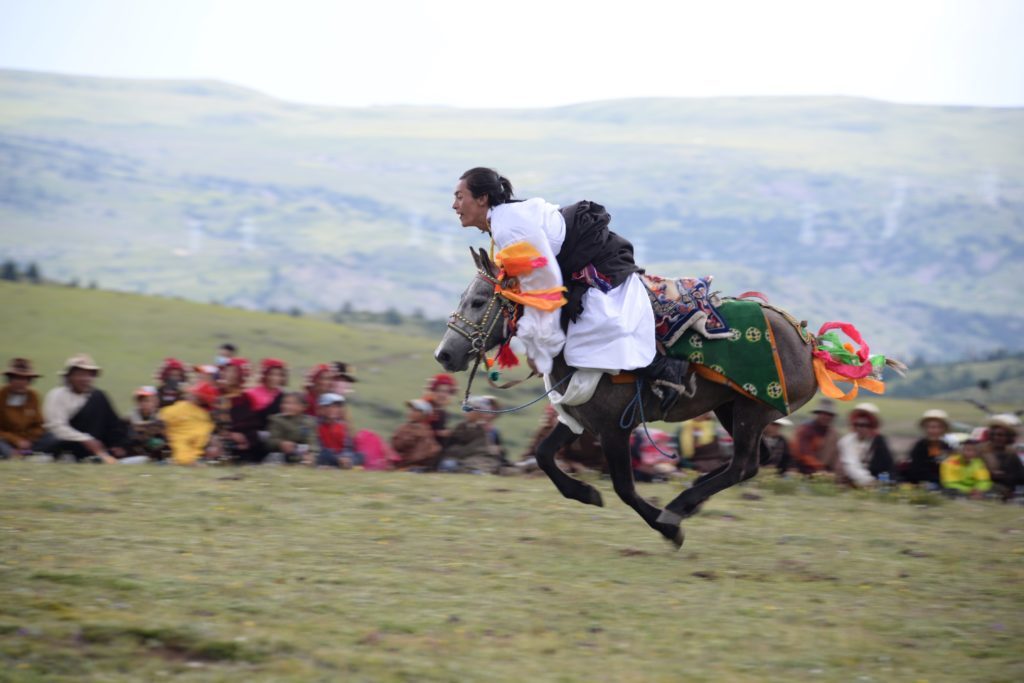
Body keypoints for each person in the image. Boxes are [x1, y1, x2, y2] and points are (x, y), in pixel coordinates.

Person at [451, 167, 687, 410]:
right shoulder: (501, 223)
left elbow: (545, 285)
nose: (454, 205)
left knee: (597, 321)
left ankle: (663, 369)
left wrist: (539, 348)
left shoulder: (507, 228)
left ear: (482, 199)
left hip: (593, 255)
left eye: (459, 197)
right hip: (571, 258)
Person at [43, 354, 127, 463]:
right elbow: (56, 427)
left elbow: (113, 423)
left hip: (95, 447)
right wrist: (85, 439)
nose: (85, 379)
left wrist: (117, 444)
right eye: (80, 375)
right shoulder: (57, 395)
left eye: (89, 375)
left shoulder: (98, 396)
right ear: (69, 377)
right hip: (67, 442)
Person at [0, 358, 57, 458]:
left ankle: (23, 453)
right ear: (10, 379)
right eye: (17, 378)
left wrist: (29, 440)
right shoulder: (2, 395)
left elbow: (39, 425)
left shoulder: (33, 396)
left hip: (28, 441)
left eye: (25, 379)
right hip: (7, 440)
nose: (21, 382)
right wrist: (16, 440)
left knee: (52, 438)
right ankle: (17, 454)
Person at [440, 396, 505, 474]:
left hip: (477, 459)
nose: (466, 412)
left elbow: (483, 448)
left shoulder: (486, 430)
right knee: (448, 464)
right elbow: (453, 442)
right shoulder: (461, 426)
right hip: (458, 457)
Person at [835, 402, 894, 487]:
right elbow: (851, 465)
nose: (860, 428)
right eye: (857, 424)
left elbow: (886, 467)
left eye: (864, 425)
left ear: (871, 426)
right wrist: (869, 482)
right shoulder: (846, 442)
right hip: (851, 483)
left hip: (875, 484)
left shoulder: (879, 442)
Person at [159, 382, 218, 465]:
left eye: (193, 394)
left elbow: (162, 416)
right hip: (179, 445)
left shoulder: (188, 409)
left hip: (179, 446)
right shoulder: (203, 416)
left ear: (199, 399)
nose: (189, 395)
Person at [980, 414, 1024, 500]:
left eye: (1001, 435)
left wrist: (1004, 477)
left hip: (1009, 493)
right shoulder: (981, 451)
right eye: (993, 435)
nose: (996, 438)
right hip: (986, 491)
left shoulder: (1012, 455)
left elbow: (1020, 477)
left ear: (1008, 437)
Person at [267, 392, 319, 464]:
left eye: (292, 404)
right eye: (284, 403)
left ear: (303, 407)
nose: (286, 406)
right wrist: (281, 443)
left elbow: (312, 442)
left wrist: (311, 454)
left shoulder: (309, 422)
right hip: (281, 454)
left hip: (301, 454)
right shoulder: (276, 420)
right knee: (275, 456)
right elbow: (270, 441)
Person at [904, 409, 952, 487]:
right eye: (931, 427)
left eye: (939, 427)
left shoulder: (946, 447)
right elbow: (917, 472)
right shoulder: (920, 447)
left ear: (944, 429)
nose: (934, 431)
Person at [791, 399, 840, 475]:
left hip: (825, 471)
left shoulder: (832, 433)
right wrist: (820, 468)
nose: (826, 417)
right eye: (823, 414)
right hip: (803, 470)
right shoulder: (805, 430)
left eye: (829, 415)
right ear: (818, 414)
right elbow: (804, 454)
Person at [391, 399, 442, 471]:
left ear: (424, 414)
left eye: (415, 410)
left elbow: (399, 445)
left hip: (407, 465)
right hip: (413, 466)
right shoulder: (426, 429)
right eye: (410, 409)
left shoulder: (416, 429)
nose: (410, 412)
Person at [316, 392, 359, 468]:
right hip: (326, 455)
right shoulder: (317, 425)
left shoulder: (343, 426)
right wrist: (337, 458)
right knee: (325, 454)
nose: (334, 410)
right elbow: (318, 446)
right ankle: (340, 464)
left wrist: (345, 457)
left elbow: (348, 447)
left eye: (337, 407)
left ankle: (346, 463)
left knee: (360, 456)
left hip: (342, 455)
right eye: (330, 407)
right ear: (321, 409)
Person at [126, 386, 169, 460]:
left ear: (155, 401)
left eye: (146, 401)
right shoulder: (129, 419)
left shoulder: (162, 417)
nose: (143, 404)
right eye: (140, 401)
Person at [423, 373, 457, 445]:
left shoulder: (442, 413)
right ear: (431, 391)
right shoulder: (423, 409)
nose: (442, 395)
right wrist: (438, 433)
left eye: (447, 392)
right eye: (438, 391)